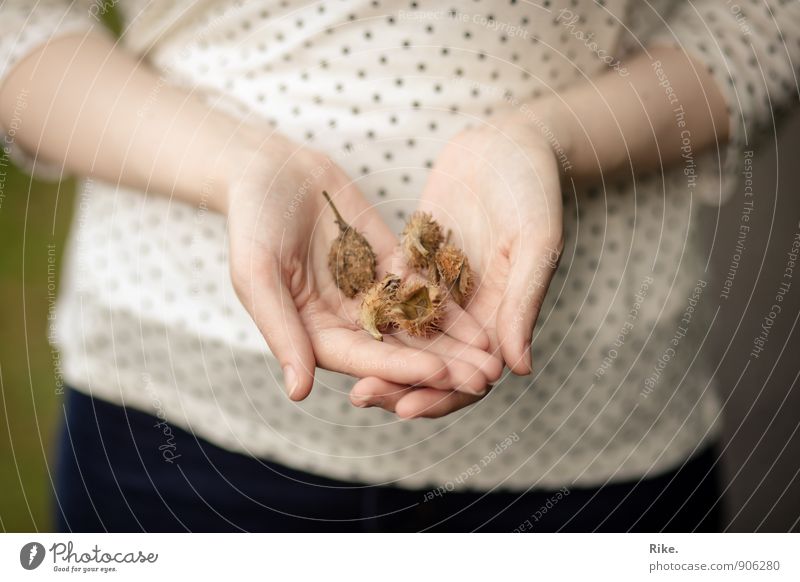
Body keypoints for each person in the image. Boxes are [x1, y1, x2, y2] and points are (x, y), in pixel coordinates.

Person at [1, 0, 798, 532]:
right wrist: (235, 167)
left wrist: (556, 141)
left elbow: (766, 23)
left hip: (599, 437)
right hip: (169, 420)